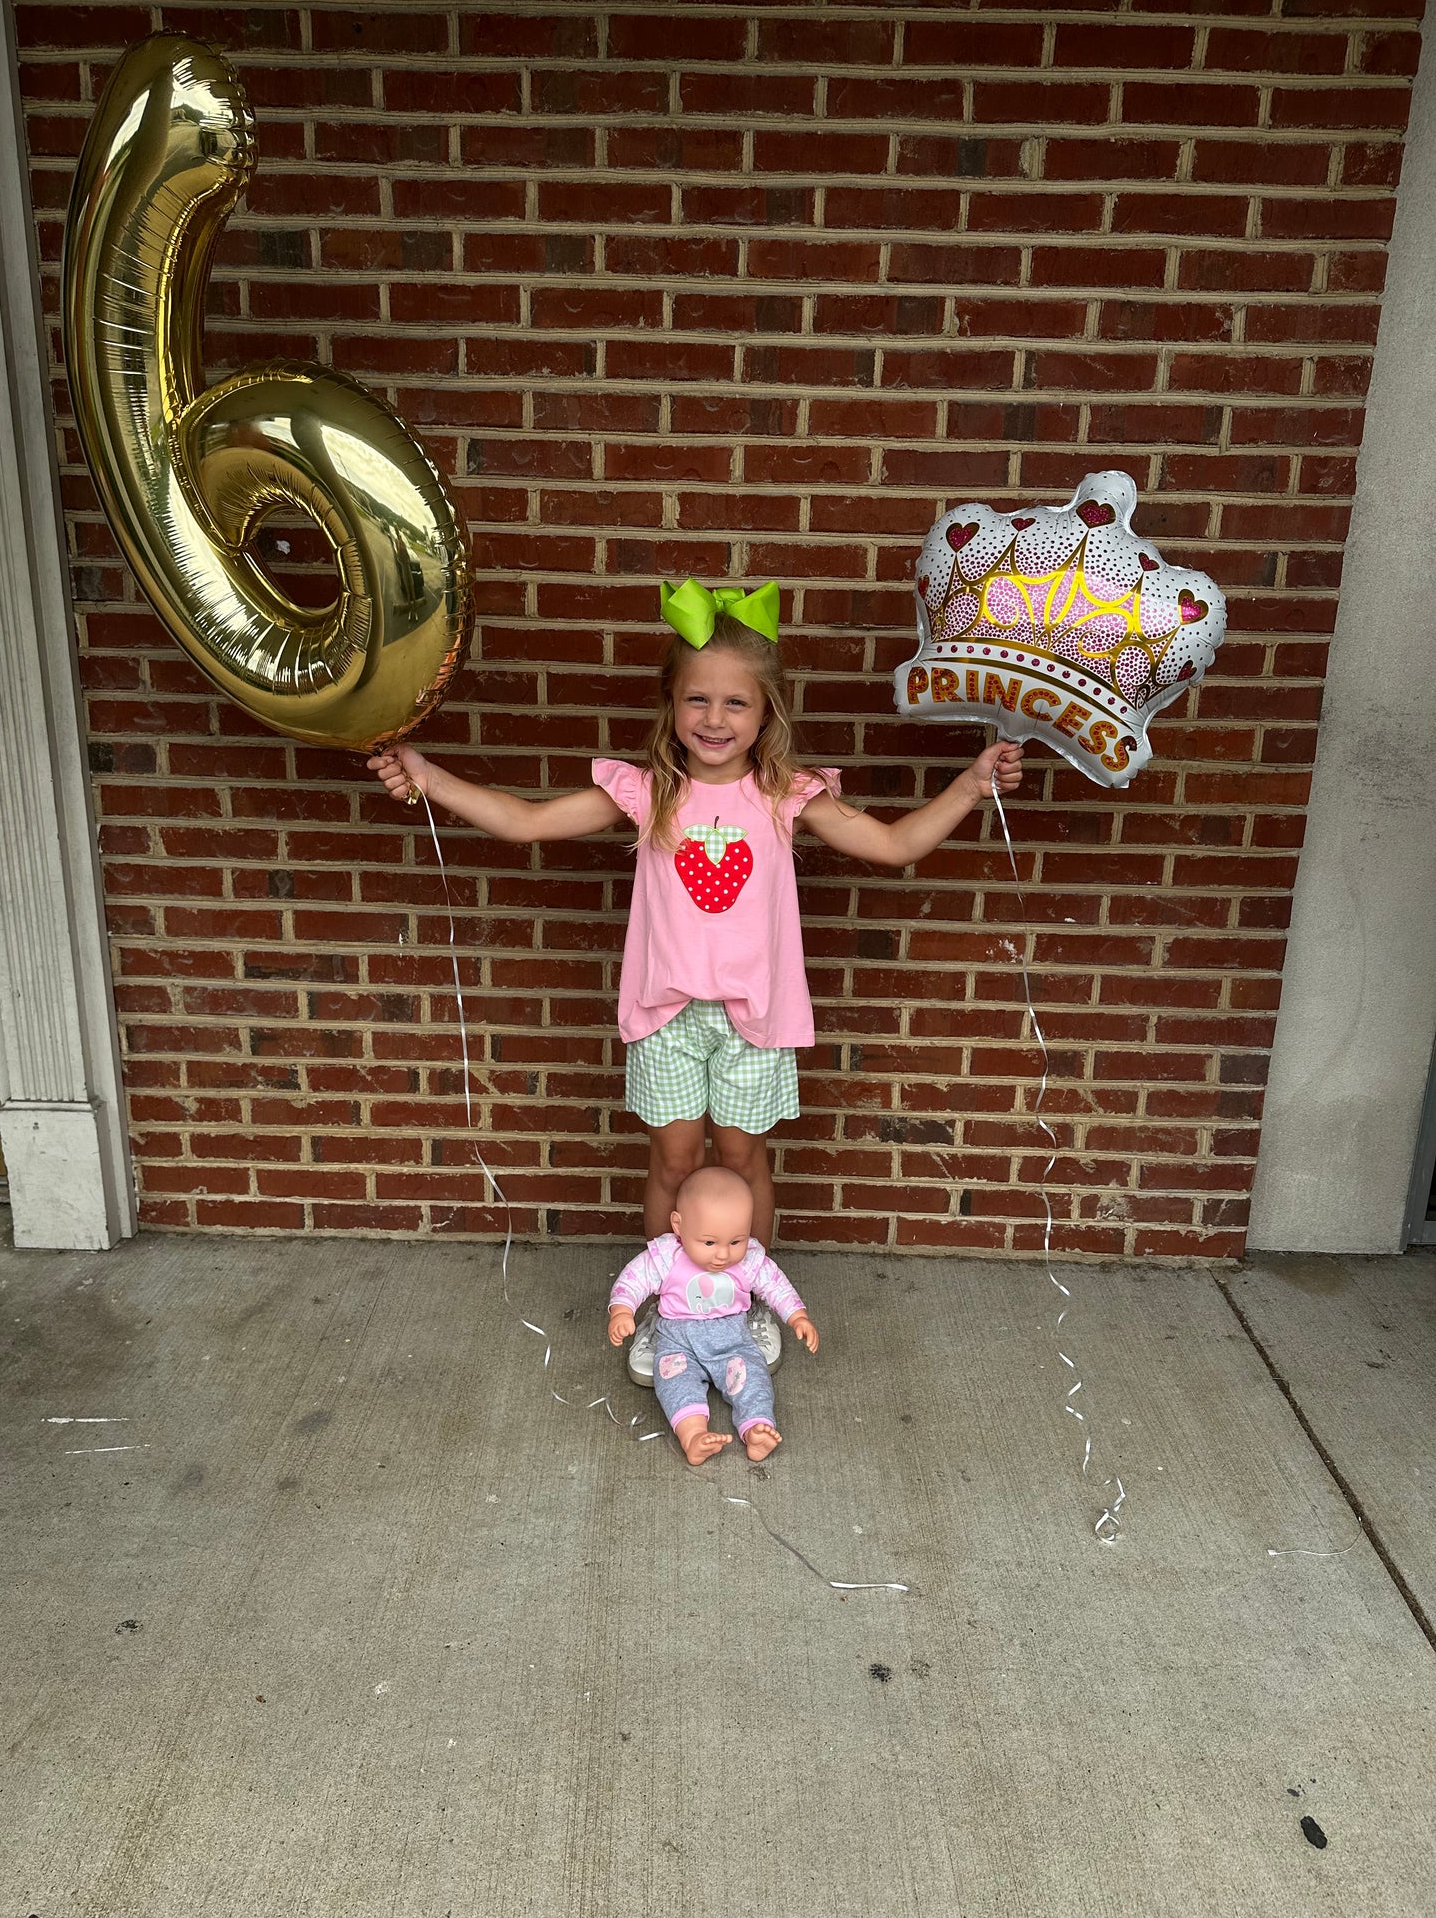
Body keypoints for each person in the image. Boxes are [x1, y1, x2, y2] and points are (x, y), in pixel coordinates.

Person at [368, 578, 1023, 1382]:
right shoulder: (649, 792)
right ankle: (672, 1311)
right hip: (667, 1017)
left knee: (743, 1171)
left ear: (766, 713)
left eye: (736, 704)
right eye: (697, 700)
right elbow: (526, 819)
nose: (715, 720)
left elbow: (893, 847)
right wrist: (427, 775)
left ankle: (742, 1305)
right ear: (671, 706)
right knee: (675, 1169)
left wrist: (970, 783)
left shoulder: (787, 795)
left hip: (754, 1022)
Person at [606, 1165, 815, 1465]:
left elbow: (775, 1285)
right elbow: (633, 1280)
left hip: (733, 1341)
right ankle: (693, 1436)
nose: (722, 1254)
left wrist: (798, 1316)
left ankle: (757, 1427)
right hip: (678, 1341)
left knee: (753, 1378)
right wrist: (622, 1311)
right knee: (675, 1384)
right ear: (679, 1225)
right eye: (709, 1242)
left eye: (735, 1241)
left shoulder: (750, 1261)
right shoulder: (667, 1257)